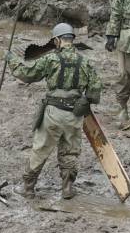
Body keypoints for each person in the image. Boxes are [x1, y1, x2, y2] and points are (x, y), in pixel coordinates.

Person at [7, 22, 102, 199]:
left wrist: (11, 60)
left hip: (53, 113)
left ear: (58, 40)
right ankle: (67, 188)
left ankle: (28, 188)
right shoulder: (85, 61)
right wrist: (86, 99)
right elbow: (96, 89)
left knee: (41, 149)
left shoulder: (51, 59)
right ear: (71, 40)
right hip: (74, 114)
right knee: (70, 151)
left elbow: (27, 74)